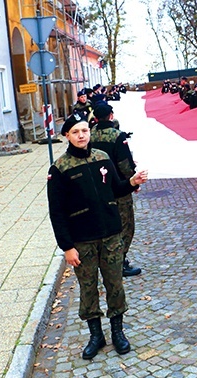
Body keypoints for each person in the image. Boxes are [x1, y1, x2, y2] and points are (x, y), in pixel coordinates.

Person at [47, 113, 148, 360]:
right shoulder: (60, 169)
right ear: (66, 136)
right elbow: (56, 212)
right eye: (75, 132)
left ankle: (117, 332)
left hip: (111, 236)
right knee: (88, 287)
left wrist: (132, 182)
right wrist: (67, 247)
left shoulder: (102, 158)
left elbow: (117, 188)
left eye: (84, 130)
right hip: (83, 241)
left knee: (115, 284)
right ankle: (96, 335)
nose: (81, 135)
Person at [90, 103, 142, 278]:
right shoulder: (117, 136)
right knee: (125, 226)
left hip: (95, 188)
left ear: (95, 118)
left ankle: (104, 260)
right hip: (118, 188)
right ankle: (118, 263)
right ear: (111, 116)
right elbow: (125, 165)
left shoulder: (89, 135)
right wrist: (133, 182)